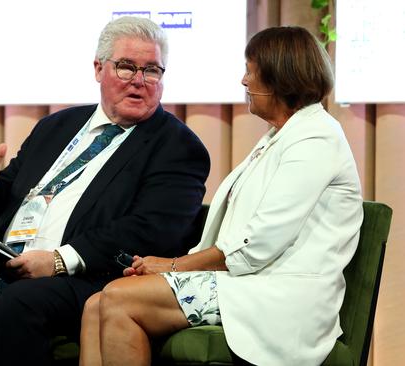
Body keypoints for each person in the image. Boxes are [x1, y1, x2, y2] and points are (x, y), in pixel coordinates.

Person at [0, 16, 210, 366]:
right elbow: (8, 199)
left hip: (89, 280)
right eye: (126, 67)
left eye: (151, 70)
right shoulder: (55, 128)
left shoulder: (178, 147)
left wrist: (58, 261)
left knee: (21, 303)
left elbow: (151, 230)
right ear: (98, 68)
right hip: (9, 268)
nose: (139, 81)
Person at [79, 26, 363, 366]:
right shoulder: (281, 135)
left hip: (280, 295)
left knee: (118, 300)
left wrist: (172, 266)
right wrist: (171, 270)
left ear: (278, 78)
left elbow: (256, 243)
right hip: (247, 282)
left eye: (251, 71)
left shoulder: (316, 139)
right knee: (96, 304)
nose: (244, 81)